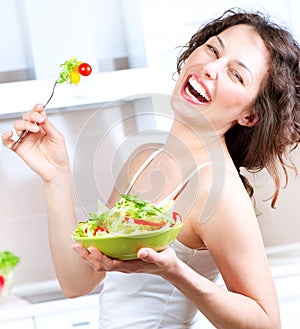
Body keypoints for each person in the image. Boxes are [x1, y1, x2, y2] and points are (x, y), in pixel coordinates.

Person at [2, 8, 300, 329]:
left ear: (250, 115)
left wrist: (174, 270)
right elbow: (79, 282)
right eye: (213, 49)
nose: (211, 67)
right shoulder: (144, 160)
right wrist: (56, 176)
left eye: (236, 74)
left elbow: (266, 322)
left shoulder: (220, 189)